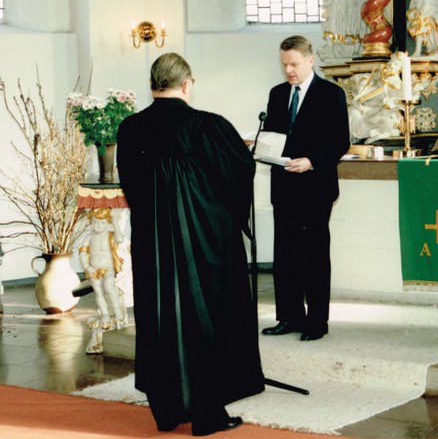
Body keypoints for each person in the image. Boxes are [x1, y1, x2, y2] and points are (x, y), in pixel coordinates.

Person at [117, 53, 264, 436]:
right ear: (186, 84)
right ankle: (207, 414)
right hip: (201, 245)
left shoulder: (131, 128)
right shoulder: (207, 126)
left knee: (158, 317)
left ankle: (167, 412)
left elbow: (132, 185)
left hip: (153, 244)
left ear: (154, 84)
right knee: (205, 318)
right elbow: (239, 172)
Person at [260, 35, 350, 342]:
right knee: (285, 254)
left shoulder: (331, 93)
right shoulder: (277, 94)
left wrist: (311, 161)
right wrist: (262, 148)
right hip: (284, 185)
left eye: (294, 64)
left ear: (310, 61)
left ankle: (317, 321)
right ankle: (289, 316)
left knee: (314, 255)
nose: (288, 70)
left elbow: (340, 141)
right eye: (284, 64)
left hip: (315, 187)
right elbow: (273, 134)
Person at [78, 207, 127, 328]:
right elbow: (82, 252)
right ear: (91, 221)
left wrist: (115, 221)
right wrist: (87, 266)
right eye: (95, 222)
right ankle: (105, 314)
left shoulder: (109, 235)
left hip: (108, 269)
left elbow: (120, 239)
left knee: (109, 287)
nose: (98, 226)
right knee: (98, 292)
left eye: (102, 223)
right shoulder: (89, 236)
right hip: (93, 270)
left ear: (108, 223)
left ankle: (117, 312)